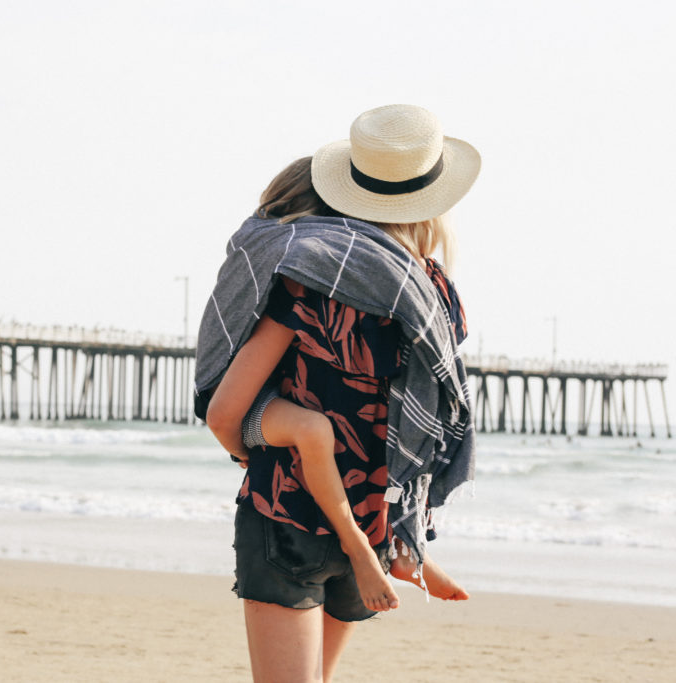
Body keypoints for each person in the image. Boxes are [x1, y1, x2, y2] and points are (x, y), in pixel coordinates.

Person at [194, 104, 480, 682]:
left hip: (289, 512)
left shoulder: (308, 279)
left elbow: (226, 411)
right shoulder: (435, 294)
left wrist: (264, 439)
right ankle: (410, 554)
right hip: (375, 520)